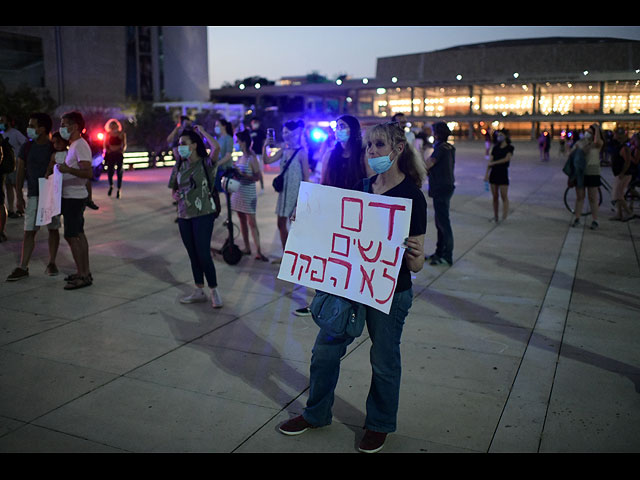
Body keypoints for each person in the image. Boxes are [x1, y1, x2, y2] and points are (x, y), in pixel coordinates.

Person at [278, 121, 427, 454]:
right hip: (351, 286)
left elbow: (416, 265)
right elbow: (335, 237)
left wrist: (415, 255)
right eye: (368, 146)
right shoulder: (360, 189)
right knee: (324, 351)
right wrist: (307, 226)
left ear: (398, 149)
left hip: (391, 292)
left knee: (385, 359)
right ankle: (315, 413)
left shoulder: (412, 197)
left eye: (378, 146)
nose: (371, 152)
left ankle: (379, 425)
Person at [294, 115, 367, 317]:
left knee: (352, 261)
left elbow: (370, 185)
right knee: (328, 261)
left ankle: (351, 303)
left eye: (343, 126)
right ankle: (321, 303)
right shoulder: (330, 154)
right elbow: (323, 183)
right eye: (337, 126)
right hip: (333, 215)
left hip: (356, 216)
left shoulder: (363, 155)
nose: (339, 129)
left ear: (353, 130)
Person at [168, 128, 224, 309]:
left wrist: (201, 131)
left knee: (203, 253)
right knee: (193, 254)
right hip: (184, 215)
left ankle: (214, 289)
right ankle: (199, 289)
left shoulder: (206, 163)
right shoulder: (179, 164)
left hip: (203, 214)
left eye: (184, 144)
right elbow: (174, 189)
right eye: (179, 144)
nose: (180, 147)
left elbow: (216, 148)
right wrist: (176, 195)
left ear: (194, 145)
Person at [6, 113, 60, 281]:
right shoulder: (27, 147)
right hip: (33, 195)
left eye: (32, 125)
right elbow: (21, 171)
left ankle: (52, 262)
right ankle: (23, 266)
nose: (29, 128)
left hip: (50, 195)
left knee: (53, 229)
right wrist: (19, 196)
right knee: (29, 230)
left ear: (42, 129)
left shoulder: (54, 147)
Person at [54, 111, 94, 290]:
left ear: (75, 126)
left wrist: (67, 170)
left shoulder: (80, 146)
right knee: (78, 234)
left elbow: (88, 173)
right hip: (72, 196)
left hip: (75, 198)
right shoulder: (75, 145)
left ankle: (83, 276)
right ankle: (83, 272)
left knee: (72, 235)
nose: (61, 128)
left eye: (64, 125)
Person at [262, 119, 310, 263]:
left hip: (295, 195)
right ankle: (287, 256)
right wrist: (265, 146)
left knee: (295, 227)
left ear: (295, 133)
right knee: (281, 224)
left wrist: (301, 200)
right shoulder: (283, 149)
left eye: (286, 131)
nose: (284, 134)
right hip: (284, 194)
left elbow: (306, 178)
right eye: (283, 132)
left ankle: (296, 258)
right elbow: (266, 161)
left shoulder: (302, 152)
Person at [230, 129, 268, 261]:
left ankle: (258, 251)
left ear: (244, 142)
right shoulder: (241, 157)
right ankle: (247, 248)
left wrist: (243, 175)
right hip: (238, 193)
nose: (237, 144)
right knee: (242, 221)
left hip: (248, 193)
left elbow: (257, 177)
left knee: (252, 222)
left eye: (238, 141)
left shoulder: (252, 158)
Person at [425, 121, 455, 266]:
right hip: (446, 187)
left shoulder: (440, 148)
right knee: (440, 222)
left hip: (441, 188)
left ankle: (447, 255)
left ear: (437, 134)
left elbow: (429, 163)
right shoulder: (449, 147)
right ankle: (439, 252)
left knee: (443, 223)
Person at [570, 124, 604, 229]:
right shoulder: (580, 143)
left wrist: (597, 128)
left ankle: (595, 220)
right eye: (586, 131)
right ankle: (577, 218)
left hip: (593, 172)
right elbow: (572, 154)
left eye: (590, 132)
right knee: (580, 197)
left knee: (592, 198)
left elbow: (597, 142)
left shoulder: (597, 144)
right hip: (580, 173)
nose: (587, 133)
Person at [0, 114, 27, 218]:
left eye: (3, 121)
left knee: (17, 187)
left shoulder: (15, 133)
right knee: (8, 187)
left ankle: (20, 208)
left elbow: (24, 143)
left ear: (9, 122)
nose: (1, 123)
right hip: (5, 165)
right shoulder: (1, 134)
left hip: (14, 163)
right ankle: (11, 209)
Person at [485, 129, 514, 223]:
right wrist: (486, 174)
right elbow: (490, 162)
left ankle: (504, 216)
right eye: (498, 135)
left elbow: (507, 159)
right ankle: (495, 215)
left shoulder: (510, 147)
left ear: (505, 136)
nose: (499, 137)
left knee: (504, 195)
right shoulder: (495, 148)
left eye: (501, 135)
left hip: (503, 173)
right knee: (495, 196)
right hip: (494, 173)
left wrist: (494, 163)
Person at [609, 127, 635, 221]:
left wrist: (622, 173)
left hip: (623, 175)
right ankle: (619, 214)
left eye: (616, 134)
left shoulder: (624, 147)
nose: (614, 136)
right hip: (619, 174)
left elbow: (627, 162)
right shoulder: (619, 146)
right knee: (618, 195)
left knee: (618, 195)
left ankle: (629, 212)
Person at [103, 118, 127, 198]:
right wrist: (108, 151)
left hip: (118, 154)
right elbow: (105, 144)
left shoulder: (121, 133)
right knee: (110, 171)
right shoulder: (108, 134)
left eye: (115, 126)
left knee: (119, 172)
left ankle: (119, 189)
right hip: (111, 154)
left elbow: (124, 144)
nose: (113, 128)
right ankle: (111, 185)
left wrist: (122, 151)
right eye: (112, 126)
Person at [214, 118, 234, 191]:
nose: (216, 127)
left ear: (224, 126)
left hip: (225, 169)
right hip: (218, 169)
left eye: (217, 125)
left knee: (226, 192)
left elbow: (228, 156)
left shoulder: (229, 138)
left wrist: (217, 163)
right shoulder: (219, 139)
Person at [248, 117, 266, 190]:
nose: (255, 124)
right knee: (251, 171)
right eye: (253, 122)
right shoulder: (250, 132)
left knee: (259, 171)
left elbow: (264, 143)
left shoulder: (261, 132)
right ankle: (252, 187)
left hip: (259, 154)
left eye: (256, 122)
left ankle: (262, 187)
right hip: (251, 154)